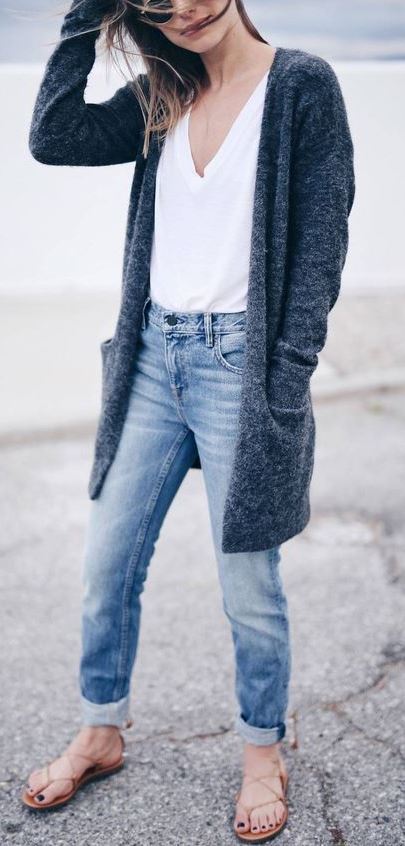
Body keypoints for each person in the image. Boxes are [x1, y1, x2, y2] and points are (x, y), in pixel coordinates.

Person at [22, 0, 355, 841]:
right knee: (106, 563)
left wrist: (286, 374)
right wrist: (84, 16)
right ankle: (100, 730)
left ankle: (259, 751)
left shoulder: (302, 86)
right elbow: (53, 136)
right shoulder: (159, 91)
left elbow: (321, 242)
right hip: (150, 356)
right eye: (159, 4)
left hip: (242, 367)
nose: (189, 10)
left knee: (249, 585)